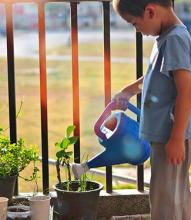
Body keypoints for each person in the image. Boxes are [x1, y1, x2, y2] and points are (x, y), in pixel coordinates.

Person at [112, 0, 191, 219]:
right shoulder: (166, 37)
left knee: (165, 200)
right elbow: (155, 75)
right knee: (176, 195)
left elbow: (186, 91)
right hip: (167, 135)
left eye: (134, 23)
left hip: (171, 135)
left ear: (150, 11)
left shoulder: (175, 39)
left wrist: (176, 139)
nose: (137, 30)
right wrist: (128, 91)